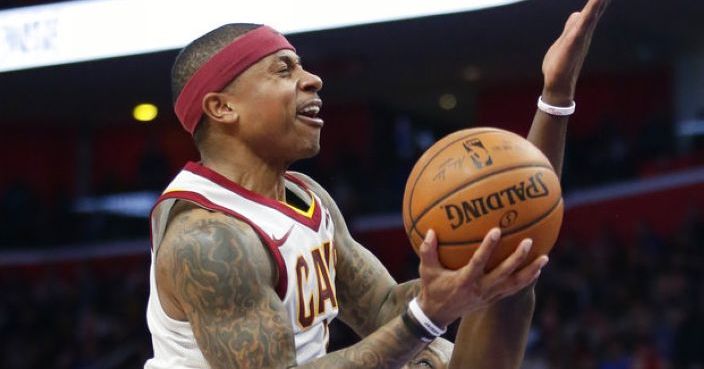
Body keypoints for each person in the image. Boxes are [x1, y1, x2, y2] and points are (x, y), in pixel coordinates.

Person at [144, 0, 609, 367]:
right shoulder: (207, 239)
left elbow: (383, 306)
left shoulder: (305, 195)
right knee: (427, 345)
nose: (313, 79)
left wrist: (556, 96)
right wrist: (428, 314)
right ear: (222, 108)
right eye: (284, 69)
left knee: (504, 275)